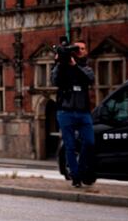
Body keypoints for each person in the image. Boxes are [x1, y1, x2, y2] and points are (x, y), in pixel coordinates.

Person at [52, 40, 94, 188]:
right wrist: (60, 62)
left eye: (82, 48)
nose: (80, 51)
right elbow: (55, 80)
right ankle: (75, 176)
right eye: (77, 49)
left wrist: (75, 66)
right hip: (65, 111)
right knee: (69, 146)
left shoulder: (86, 68)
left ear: (86, 51)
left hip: (83, 112)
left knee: (89, 142)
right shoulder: (62, 67)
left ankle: (81, 171)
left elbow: (89, 79)